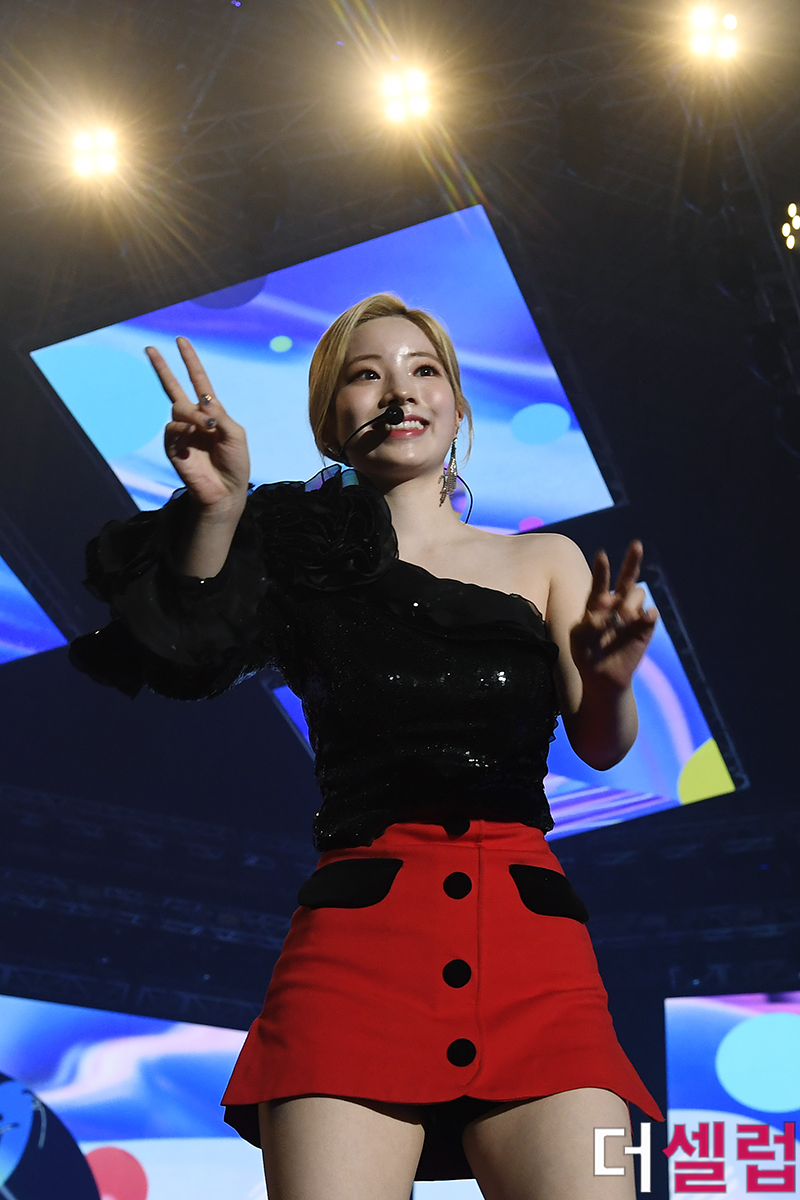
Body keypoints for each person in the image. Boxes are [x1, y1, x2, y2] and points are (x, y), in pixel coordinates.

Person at [71, 293, 663, 1200]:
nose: (400, 391)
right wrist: (220, 509)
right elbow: (186, 656)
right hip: (354, 959)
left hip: (537, 960)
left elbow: (603, 746)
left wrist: (612, 679)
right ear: (330, 419)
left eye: (424, 370)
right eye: (366, 374)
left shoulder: (548, 560)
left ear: (457, 406)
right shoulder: (296, 561)